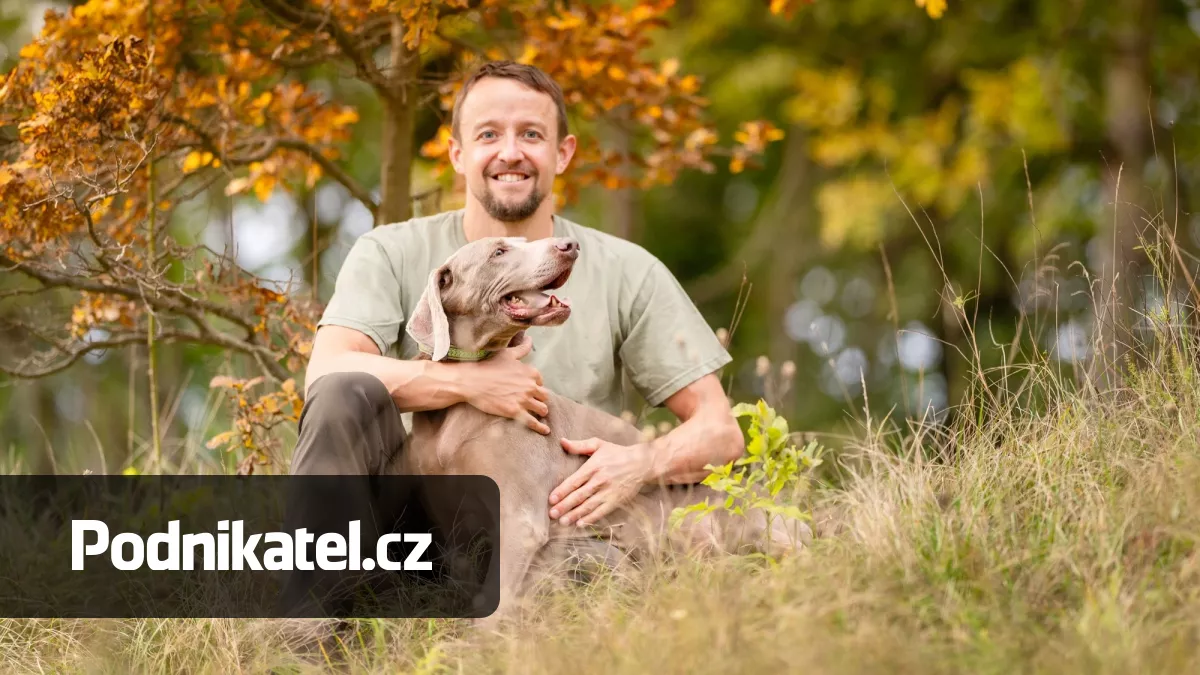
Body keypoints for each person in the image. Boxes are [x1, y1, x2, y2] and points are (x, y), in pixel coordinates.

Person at [293, 60, 742, 539]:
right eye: (488, 135)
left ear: (562, 153)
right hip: (412, 514)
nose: (510, 153)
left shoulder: (628, 270)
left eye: (531, 134)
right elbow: (328, 372)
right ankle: (313, 607)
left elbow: (720, 431)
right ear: (457, 154)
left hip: (549, 523)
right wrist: (470, 382)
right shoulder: (391, 251)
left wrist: (640, 463)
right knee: (342, 393)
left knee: (595, 562)